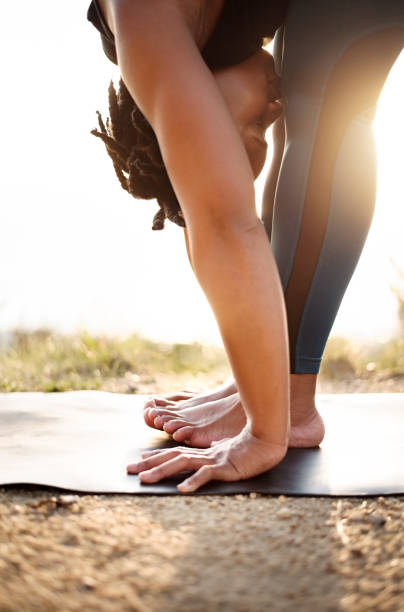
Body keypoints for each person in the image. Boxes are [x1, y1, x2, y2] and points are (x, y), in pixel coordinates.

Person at [88, 1, 404, 493]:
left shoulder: (146, 22)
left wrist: (264, 433)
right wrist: (255, 385)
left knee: (328, 90)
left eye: (252, 126)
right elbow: (205, 216)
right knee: (318, 83)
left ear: (198, 110)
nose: (272, 111)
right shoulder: (182, 43)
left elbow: (225, 224)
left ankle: (288, 404)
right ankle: (274, 390)